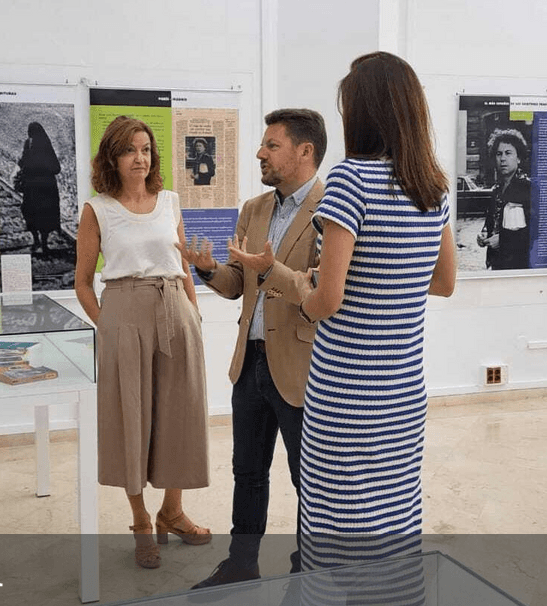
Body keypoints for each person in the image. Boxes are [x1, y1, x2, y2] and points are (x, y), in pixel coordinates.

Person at [296, 52, 456, 569]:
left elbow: (329, 298)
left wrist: (304, 295)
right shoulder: (431, 187)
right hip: (403, 388)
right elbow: (445, 282)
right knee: (393, 518)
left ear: (362, 113)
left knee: (334, 520)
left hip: (346, 388)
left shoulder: (350, 180)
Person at [177, 108, 327, 589]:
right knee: (247, 471)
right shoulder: (254, 209)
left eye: (272, 145)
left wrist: (267, 269)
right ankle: (241, 563)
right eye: (263, 145)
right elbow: (238, 282)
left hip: (301, 367)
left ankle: (309, 569)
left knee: (309, 482)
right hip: (251, 362)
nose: (261, 153)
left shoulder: (332, 210)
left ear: (305, 152)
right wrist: (206, 270)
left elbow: (318, 293)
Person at [74, 116, 210, 570]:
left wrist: (194, 313)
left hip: (176, 305)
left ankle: (172, 511)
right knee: (130, 417)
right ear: (112, 156)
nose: (140, 158)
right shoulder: (98, 209)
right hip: (124, 311)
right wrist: (107, 326)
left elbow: (183, 263)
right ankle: (139, 521)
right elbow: (82, 283)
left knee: (181, 412)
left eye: (147, 149)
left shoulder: (169, 201)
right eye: (131, 150)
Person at [476, 129, 532, 270]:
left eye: (508, 153)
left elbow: (537, 232)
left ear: (519, 158)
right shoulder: (496, 190)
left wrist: (503, 240)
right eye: (499, 154)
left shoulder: (528, 188)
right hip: (497, 263)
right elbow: (492, 221)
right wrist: (485, 235)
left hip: (519, 265)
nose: (502, 158)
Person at [16, 121, 62, 254]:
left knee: (31, 213)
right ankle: (44, 244)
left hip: (32, 188)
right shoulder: (46, 145)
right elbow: (56, 168)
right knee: (45, 216)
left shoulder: (28, 144)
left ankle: (36, 241)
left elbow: (23, 162)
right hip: (46, 188)